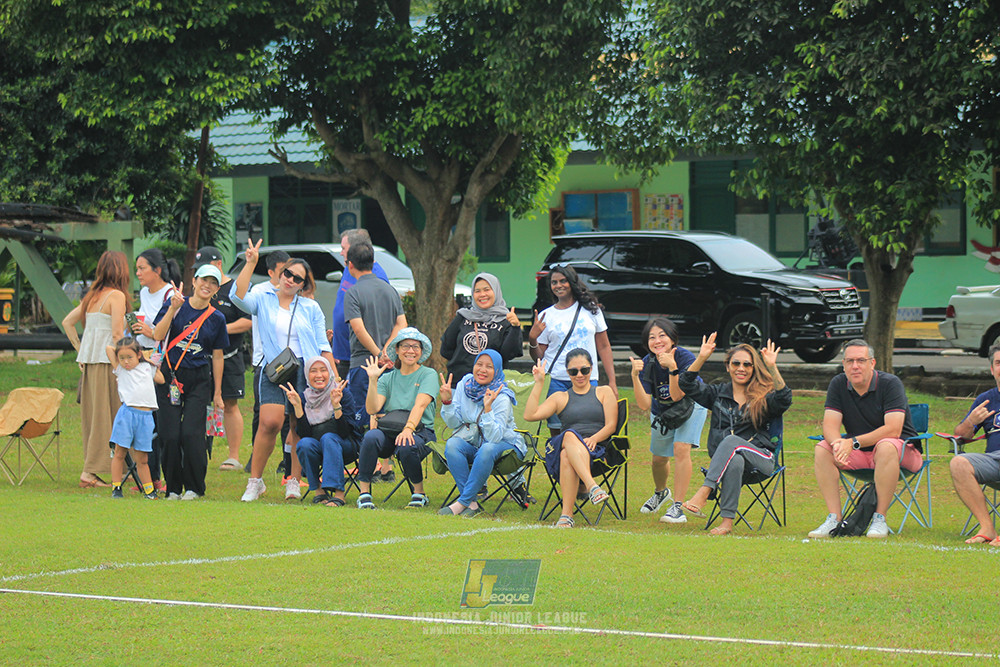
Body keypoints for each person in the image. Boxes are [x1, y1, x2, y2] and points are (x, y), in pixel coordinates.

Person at [234, 240, 334, 502]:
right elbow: (237, 297)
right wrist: (250, 263)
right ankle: (255, 481)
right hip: (275, 367)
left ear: (303, 285)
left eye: (297, 278)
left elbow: (323, 345)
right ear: (280, 274)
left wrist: (333, 378)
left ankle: (294, 480)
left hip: (304, 369)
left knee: (298, 424)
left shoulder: (310, 307)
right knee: (270, 422)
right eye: (288, 273)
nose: (290, 280)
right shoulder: (263, 297)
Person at [677, 336, 791, 535]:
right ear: (728, 367)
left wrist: (772, 367)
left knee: (731, 441)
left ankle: (705, 491)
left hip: (762, 459)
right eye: (736, 363)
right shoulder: (717, 394)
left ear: (754, 368)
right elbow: (686, 384)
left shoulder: (763, 397)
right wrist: (701, 357)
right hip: (727, 463)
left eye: (747, 364)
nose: (741, 368)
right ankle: (726, 523)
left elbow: (784, 399)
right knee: (735, 459)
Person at [809, 339, 920, 539]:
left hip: (902, 453)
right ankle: (834, 519)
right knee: (822, 448)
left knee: (886, 445)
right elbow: (830, 426)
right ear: (843, 364)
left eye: (861, 360)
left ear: (872, 363)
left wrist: (852, 443)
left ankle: (879, 519)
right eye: (850, 361)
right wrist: (837, 445)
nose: (855, 366)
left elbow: (893, 430)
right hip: (860, 454)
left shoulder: (890, 383)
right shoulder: (838, 384)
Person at [152, 265, 229, 500]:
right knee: (169, 434)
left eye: (213, 283)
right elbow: (157, 335)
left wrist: (217, 393)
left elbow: (218, 356)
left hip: (198, 378)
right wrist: (172, 309)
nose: (207, 285)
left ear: (216, 289)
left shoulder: (217, 318)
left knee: (192, 434)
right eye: (204, 280)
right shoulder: (175, 304)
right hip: (170, 376)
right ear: (194, 281)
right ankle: (173, 488)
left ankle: (195, 487)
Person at [523, 349, 617, 528]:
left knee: (566, 455)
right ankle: (592, 486)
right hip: (566, 443)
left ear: (591, 369)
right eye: (574, 371)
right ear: (567, 373)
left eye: (584, 370)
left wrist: (594, 439)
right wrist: (539, 383)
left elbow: (611, 425)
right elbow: (530, 415)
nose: (579, 375)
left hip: (595, 450)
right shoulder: (561, 397)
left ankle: (566, 515)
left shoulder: (604, 392)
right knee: (568, 435)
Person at [629, 317, 709, 524]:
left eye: (662, 335)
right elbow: (644, 405)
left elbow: (677, 395)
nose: (657, 341)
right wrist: (635, 376)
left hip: (691, 405)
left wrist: (673, 368)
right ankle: (661, 493)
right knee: (659, 459)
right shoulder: (648, 362)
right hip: (663, 411)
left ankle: (678, 507)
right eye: (652, 337)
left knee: (681, 448)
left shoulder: (684, 358)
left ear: (673, 338)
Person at [62, 250, 130, 488]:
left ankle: (98, 469)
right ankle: (91, 471)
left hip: (91, 363)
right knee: (108, 416)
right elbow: (117, 334)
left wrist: (81, 349)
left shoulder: (92, 296)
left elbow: (68, 322)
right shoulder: (116, 296)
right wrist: (125, 364)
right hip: (108, 363)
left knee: (94, 417)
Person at [344, 242, 407, 483]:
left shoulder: (353, 292)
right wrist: (388, 351)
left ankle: (369, 467)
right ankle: (386, 467)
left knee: (365, 413)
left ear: (350, 265)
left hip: (364, 361)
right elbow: (401, 324)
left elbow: (358, 328)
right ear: (373, 263)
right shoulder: (390, 290)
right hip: (390, 363)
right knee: (386, 412)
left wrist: (377, 353)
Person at [355, 327, 438, 510]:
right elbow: (372, 409)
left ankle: (419, 493)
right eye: (406, 346)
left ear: (421, 351)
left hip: (421, 431)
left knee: (407, 443)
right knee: (370, 437)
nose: (411, 351)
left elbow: (420, 405)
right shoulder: (387, 378)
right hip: (391, 431)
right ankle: (364, 494)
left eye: (415, 347)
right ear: (398, 350)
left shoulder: (428, 374)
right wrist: (373, 380)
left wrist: (408, 429)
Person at [528, 265, 616, 434]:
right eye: (554, 282)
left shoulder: (592, 310)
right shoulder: (546, 315)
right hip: (556, 380)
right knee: (558, 431)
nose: (558, 285)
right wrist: (532, 338)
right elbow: (539, 357)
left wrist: (612, 381)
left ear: (572, 282)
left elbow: (604, 346)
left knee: (589, 427)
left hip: (587, 377)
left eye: (563, 281)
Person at [438, 349, 523, 517]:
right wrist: (447, 402)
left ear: (497, 371)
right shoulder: (465, 385)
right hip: (474, 443)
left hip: (506, 446)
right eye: (479, 364)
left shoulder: (502, 396)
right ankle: (472, 504)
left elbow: (494, 437)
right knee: (453, 444)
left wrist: (488, 408)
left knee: (487, 448)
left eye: (489, 367)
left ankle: (462, 502)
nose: (482, 370)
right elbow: (454, 423)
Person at [193, 246, 252, 471]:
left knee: (229, 403)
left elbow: (247, 321)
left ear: (218, 265)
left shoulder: (234, 289)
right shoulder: (199, 288)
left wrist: (219, 329)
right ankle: (199, 451)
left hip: (230, 355)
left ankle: (233, 456)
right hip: (201, 356)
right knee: (199, 403)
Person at [130, 247, 182, 492]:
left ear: (157, 270)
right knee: (144, 417)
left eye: (142, 268)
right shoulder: (144, 292)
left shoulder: (171, 294)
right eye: (137, 269)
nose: (138, 273)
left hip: (163, 363)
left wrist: (148, 331)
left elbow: (165, 331)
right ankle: (150, 478)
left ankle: (166, 477)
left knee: (162, 420)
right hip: (142, 358)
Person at [286, 357, 363, 507]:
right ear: (307, 375)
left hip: (345, 446)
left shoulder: (342, 393)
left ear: (330, 373)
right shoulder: (304, 398)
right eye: (313, 371)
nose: (319, 375)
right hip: (319, 447)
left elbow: (345, 432)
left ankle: (339, 494)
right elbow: (305, 434)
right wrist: (298, 408)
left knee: (328, 438)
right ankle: (319, 491)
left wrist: (336, 405)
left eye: (323, 370)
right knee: (304, 444)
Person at [948, 344, 1000, 544]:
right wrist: (971, 421)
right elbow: (961, 435)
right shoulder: (985, 400)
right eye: (998, 363)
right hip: (993, 461)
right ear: (992, 369)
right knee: (958, 463)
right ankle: (987, 528)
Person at [246, 248, 290, 473]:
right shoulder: (260, 291)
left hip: (291, 361)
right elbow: (239, 298)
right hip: (265, 361)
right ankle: (256, 457)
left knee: (290, 412)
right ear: (271, 272)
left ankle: (287, 460)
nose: (288, 277)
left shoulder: (294, 292)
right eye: (283, 271)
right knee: (262, 413)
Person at [105, 337, 164, 499]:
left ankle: (149, 490)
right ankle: (116, 487)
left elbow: (161, 379)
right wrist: (122, 352)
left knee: (142, 457)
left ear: (138, 354)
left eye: (130, 357)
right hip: (127, 414)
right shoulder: (121, 370)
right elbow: (109, 349)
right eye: (122, 358)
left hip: (145, 417)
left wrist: (150, 361)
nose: (126, 362)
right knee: (120, 452)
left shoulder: (147, 367)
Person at [440, 272, 522, 381]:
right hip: (459, 384)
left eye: (487, 290)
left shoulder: (505, 320)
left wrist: (515, 327)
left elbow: (508, 354)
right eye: (477, 291)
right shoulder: (463, 316)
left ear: (496, 291)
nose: (482, 294)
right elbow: (446, 350)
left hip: (491, 386)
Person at [330, 229, 389, 379]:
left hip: (361, 356)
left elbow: (378, 321)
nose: (341, 253)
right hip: (342, 353)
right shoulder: (349, 269)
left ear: (356, 249)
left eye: (344, 248)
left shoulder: (377, 278)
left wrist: (379, 354)